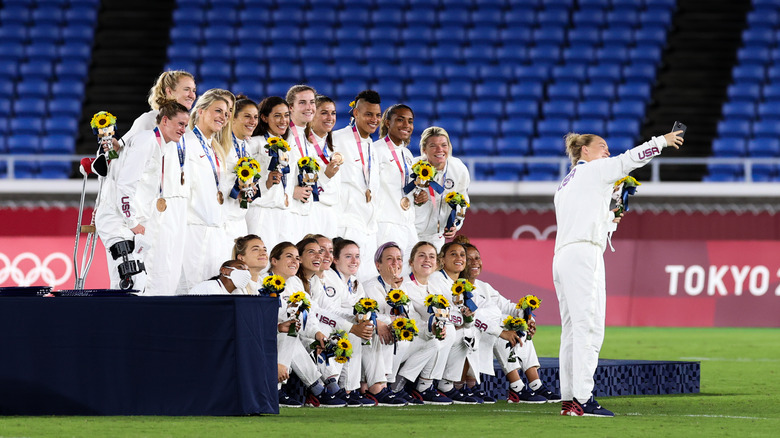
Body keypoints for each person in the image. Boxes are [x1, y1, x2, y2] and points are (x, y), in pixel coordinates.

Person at [554, 130, 684, 417]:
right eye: (602, 147)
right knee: (589, 328)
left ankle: (569, 399)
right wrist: (661, 141)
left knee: (572, 331)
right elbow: (630, 160)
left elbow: (586, 217)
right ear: (584, 151)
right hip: (583, 255)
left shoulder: (566, 183)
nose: (607, 152)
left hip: (564, 255)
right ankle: (583, 400)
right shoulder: (595, 170)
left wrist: (608, 217)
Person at [95, 99, 190, 293]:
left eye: (186, 125)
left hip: (127, 222)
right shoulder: (146, 141)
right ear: (164, 121)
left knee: (136, 283)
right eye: (180, 124)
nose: (183, 129)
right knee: (129, 282)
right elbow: (125, 184)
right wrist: (132, 222)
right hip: (119, 221)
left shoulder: (157, 145)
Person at [460, 239, 560, 404]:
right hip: (476, 334)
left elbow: (508, 306)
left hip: (489, 333)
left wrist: (527, 317)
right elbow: (474, 317)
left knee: (520, 328)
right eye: (469, 259)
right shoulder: (458, 288)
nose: (474, 262)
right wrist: (502, 331)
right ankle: (517, 387)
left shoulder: (484, 287)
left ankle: (536, 384)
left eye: (477, 257)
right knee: (503, 329)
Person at [267, 241, 346, 408]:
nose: (295, 261)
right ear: (274, 260)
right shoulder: (264, 282)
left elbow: (308, 313)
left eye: (297, 258)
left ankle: (330, 385)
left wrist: (317, 333)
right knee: (290, 333)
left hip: (292, 335)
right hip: (271, 336)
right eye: (289, 256)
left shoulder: (295, 282)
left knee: (323, 336)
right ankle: (314, 388)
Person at [178, 90, 233, 293]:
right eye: (218, 110)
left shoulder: (216, 150)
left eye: (226, 114)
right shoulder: (185, 143)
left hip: (215, 231)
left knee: (211, 291)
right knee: (190, 291)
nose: (223, 117)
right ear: (200, 111)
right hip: (193, 229)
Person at [361, 242, 422, 406]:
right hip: (372, 333)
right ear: (378, 265)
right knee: (388, 331)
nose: (396, 263)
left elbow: (407, 315)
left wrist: (396, 290)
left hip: (391, 334)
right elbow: (374, 313)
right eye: (390, 259)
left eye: (399, 259)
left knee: (416, 337)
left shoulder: (404, 287)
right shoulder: (371, 286)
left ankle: (390, 385)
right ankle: (378, 386)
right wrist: (392, 319)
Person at [332, 90, 382, 281]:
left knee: (365, 285)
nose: (374, 119)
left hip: (368, 227)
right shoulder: (337, 139)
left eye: (378, 115)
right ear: (356, 113)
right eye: (368, 114)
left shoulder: (371, 145)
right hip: (346, 226)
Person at [426, 241, 481, 404]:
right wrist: (460, 320)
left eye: (462, 255)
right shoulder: (435, 279)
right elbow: (438, 309)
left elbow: (469, 320)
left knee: (468, 333)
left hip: (452, 329)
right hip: (434, 329)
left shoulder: (465, 285)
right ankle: (425, 384)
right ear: (442, 259)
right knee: (453, 331)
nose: (459, 258)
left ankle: (447, 385)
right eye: (453, 254)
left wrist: (467, 318)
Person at [373, 104, 427, 268]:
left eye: (410, 121)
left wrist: (418, 196)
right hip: (386, 223)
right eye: (400, 120)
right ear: (388, 123)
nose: (406, 125)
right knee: (388, 272)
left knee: (412, 271)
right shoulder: (376, 150)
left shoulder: (408, 154)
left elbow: (405, 187)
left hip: (408, 223)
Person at [414, 127, 471, 251]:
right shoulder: (413, 167)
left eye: (444, 145)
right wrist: (415, 198)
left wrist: (456, 224)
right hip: (411, 233)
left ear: (449, 147)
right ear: (424, 149)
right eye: (433, 146)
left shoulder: (459, 169)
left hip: (436, 236)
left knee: (432, 270)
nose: (440, 150)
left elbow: (462, 200)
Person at [245, 96, 290, 252]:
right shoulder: (254, 142)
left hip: (281, 211)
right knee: (260, 261)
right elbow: (243, 176)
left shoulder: (285, 145)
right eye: (277, 115)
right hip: (260, 210)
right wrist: (265, 184)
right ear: (264, 118)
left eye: (286, 115)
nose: (283, 120)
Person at [222, 96, 259, 245]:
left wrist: (251, 189)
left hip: (240, 218)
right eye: (247, 116)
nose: (253, 122)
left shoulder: (247, 146)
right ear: (233, 118)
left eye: (255, 117)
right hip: (223, 219)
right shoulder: (222, 144)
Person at [304, 95, 341, 238]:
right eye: (324, 113)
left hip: (331, 212)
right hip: (311, 210)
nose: (330, 118)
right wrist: (325, 176)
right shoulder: (303, 145)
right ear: (312, 115)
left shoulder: (332, 147)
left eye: (333, 113)